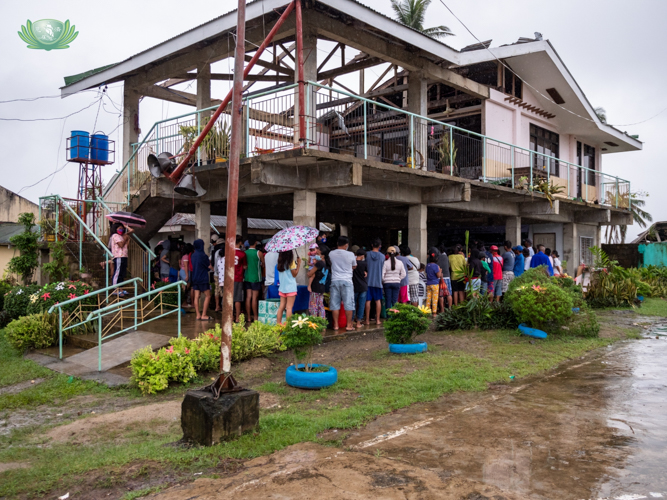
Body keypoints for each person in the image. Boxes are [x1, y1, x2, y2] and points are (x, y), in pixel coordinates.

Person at [329, 236, 357, 331]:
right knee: (348, 304)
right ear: (346, 245)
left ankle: (336, 325)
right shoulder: (351, 254)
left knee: (334, 303)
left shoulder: (331, 253)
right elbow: (354, 265)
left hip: (335, 280)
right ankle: (349, 325)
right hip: (347, 281)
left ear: (337, 243)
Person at [276, 250, 301, 325]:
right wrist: (298, 264)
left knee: (281, 307)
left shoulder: (280, 263)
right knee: (289, 308)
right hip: (290, 288)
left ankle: (278, 325)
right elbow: (294, 274)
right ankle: (288, 326)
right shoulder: (291, 262)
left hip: (282, 288)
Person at [190, 239, 213, 321]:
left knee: (196, 297)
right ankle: (204, 314)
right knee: (208, 295)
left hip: (195, 277)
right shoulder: (203, 256)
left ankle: (198, 315)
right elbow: (208, 266)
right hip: (203, 278)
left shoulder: (193, 255)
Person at [365, 238, 385, 325]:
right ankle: (377, 320)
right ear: (380, 246)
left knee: (368, 301)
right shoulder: (382, 256)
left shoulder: (367, 255)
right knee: (378, 301)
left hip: (368, 281)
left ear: (372, 245)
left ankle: (367, 320)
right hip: (378, 281)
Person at [109, 224, 132, 294]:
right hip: (118, 256)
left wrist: (127, 239)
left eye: (122, 228)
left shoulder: (122, 236)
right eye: (119, 228)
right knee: (117, 272)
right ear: (116, 229)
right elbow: (121, 245)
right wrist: (125, 238)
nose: (121, 230)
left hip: (124, 255)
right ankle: (115, 288)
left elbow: (126, 247)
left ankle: (120, 288)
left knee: (122, 273)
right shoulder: (115, 236)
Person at [307, 244, 329, 319]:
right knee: (320, 305)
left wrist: (309, 273)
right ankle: (322, 322)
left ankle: (314, 322)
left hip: (315, 287)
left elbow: (310, 274)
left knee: (313, 305)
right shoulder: (326, 263)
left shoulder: (319, 263)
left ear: (322, 256)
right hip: (322, 287)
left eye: (318, 254)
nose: (316, 255)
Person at [244, 239, 263, 322]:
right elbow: (263, 264)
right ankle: (255, 317)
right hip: (256, 277)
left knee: (248, 297)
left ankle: (248, 317)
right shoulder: (259, 253)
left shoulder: (245, 252)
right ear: (256, 242)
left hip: (247, 277)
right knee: (254, 298)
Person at [233, 235, 248, 322]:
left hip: (229, 278)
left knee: (230, 298)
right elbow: (245, 266)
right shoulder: (242, 254)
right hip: (238, 277)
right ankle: (237, 317)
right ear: (240, 243)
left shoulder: (229, 252)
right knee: (238, 299)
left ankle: (231, 316)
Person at [352, 248, 368, 328]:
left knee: (353, 304)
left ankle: (351, 322)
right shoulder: (364, 264)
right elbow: (366, 273)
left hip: (354, 286)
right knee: (361, 305)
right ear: (362, 256)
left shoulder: (353, 264)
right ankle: (358, 323)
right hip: (363, 286)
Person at [436, 245, 453, 311]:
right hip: (447, 277)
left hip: (439, 277)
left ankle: (442, 310)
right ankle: (450, 309)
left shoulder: (437, 257)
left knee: (441, 295)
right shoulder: (446, 257)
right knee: (449, 293)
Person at [211, 237, 225, 312]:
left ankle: (217, 306)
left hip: (216, 274)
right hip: (225, 275)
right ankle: (223, 306)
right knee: (223, 290)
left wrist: (215, 271)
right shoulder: (227, 252)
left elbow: (215, 265)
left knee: (217, 290)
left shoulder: (216, 252)